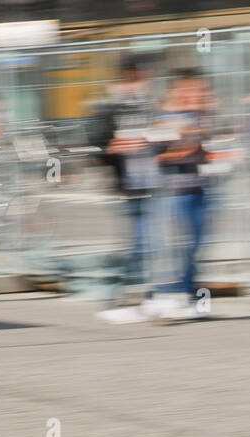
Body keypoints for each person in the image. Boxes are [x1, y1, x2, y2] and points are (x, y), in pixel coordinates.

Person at [90, 52, 163, 323]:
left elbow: (160, 136)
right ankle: (116, 296)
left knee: (148, 244)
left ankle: (143, 296)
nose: (149, 79)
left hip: (151, 181)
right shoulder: (111, 104)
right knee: (139, 243)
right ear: (133, 74)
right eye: (145, 73)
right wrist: (121, 146)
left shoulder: (147, 103)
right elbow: (99, 145)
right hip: (128, 185)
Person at [145, 68, 217, 320]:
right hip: (170, 192)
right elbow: (158, 152)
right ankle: (163, 294)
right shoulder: (162, 115)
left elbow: (203, 150)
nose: (200, 93)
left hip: (196, 189)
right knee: (169, 246)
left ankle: (186, 294)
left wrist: (192, 140)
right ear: (179, 89)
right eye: (195, 88)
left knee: (195, 244)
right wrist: (188, 143)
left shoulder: (196, 116)